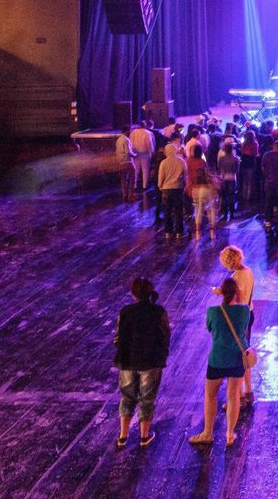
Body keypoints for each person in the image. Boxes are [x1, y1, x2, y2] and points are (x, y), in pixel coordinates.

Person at [189, 278, 251, 448]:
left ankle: (208, 432)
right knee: (233, 396)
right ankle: (230, 434)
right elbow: (244, 328)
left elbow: (210, 329)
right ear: (237, 292)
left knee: (210, 396)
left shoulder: (213, 312)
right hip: (236, 358)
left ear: (222, 293)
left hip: (217, 358)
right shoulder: (244, 311)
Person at [114, 277, 170, 448]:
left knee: (127, 397)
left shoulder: (125, 311)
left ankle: (123, 436)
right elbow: (165, 335)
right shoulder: (158, 311)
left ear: (133, 294)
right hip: (151, 361)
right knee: (147, 398)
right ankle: (144, 436)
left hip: (128, 360)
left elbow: (118, 336)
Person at [214, 246, 256, 404]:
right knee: (245, 353)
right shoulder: (249, 272)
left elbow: (234, 298)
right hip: (248, 313)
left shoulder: (235, 278)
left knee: (236, 357)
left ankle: (237, 397)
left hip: (237, 318)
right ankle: (248, 390)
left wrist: (221, 292)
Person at [187, 144, 218, 240]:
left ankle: (197, 233)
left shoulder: (188, 161)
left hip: (193, 188)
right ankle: (212, 232)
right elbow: (207, 174)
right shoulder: (202, 162)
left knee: (198, 210)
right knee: (211, 210)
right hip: (204, 187)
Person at [157, 144, 186, 239]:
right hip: (178, 188)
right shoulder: (181, 162)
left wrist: (160, 187)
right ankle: (179, 232)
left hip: (166, 190)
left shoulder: (163, 163)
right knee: (178, 211)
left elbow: (160, 178)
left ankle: (168, 232)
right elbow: (186, 176)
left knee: (167, 211)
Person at [217, 142, 240, 222]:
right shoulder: (236, 158)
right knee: (231, 196)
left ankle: (225, 214)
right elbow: (237, 170)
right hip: (233, 178)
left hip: (224, 178)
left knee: (224, 197)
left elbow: (219, 168)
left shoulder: (221, 159)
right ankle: (232, 214)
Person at [130, 123, 156, 193]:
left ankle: (134, 185)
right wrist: (152, 152)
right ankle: (145, 186)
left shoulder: (133, 133)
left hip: (136, 153)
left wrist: (132, 152)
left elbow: (131, 143)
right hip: (145, 153)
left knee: (136, 170)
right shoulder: (148, 133)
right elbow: (149, 143)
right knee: (145, 170)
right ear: (145, 126)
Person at [115, 126, 137, 202]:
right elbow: (128, 152)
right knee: (132, 179)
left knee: (123, 180)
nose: (130, 132)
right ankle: (130, 195)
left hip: (121, 162)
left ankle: (124, 195)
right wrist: (135, 155)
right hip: (128, 162)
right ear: (127, 131)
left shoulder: (118, 140)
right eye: (130, 131)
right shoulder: (126, 140)